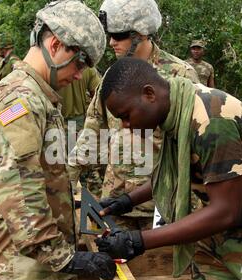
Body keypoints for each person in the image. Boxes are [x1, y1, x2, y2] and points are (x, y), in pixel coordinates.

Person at [95, 57, 242, 280]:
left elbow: (225, 211)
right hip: (218, 239)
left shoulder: (212, 121)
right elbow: (171, 174)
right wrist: (125, 201)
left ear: (149, 94)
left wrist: (138, 241)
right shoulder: (177, 109)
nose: (126, 125)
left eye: (126, 116)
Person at [0, 0, 115, 280]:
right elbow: (19, 191)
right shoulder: (21, 99)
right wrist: (65, 258)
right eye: (80, 63)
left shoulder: (38, 96)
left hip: (38, 271)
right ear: (55, 45)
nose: (80, 75)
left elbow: (39, 177)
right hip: (26, 279)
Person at [69, 0, 199, 229]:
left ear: (140, 34)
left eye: (118, 36)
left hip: (163, 204)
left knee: (162, 264)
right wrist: (68, 178)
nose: (111, 43)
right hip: (116, 200)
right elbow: (93, 130)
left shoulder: (180, 75)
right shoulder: (113, 76)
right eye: (110, 35)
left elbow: (195, 144)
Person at [57, 67, 105, 197]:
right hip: (79, 122)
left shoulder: (53, 68)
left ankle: (68, 192)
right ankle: (92, 199)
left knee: (61, 163)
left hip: (58, 121)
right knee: (83, 163)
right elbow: (99, 93)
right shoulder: (88, 69)